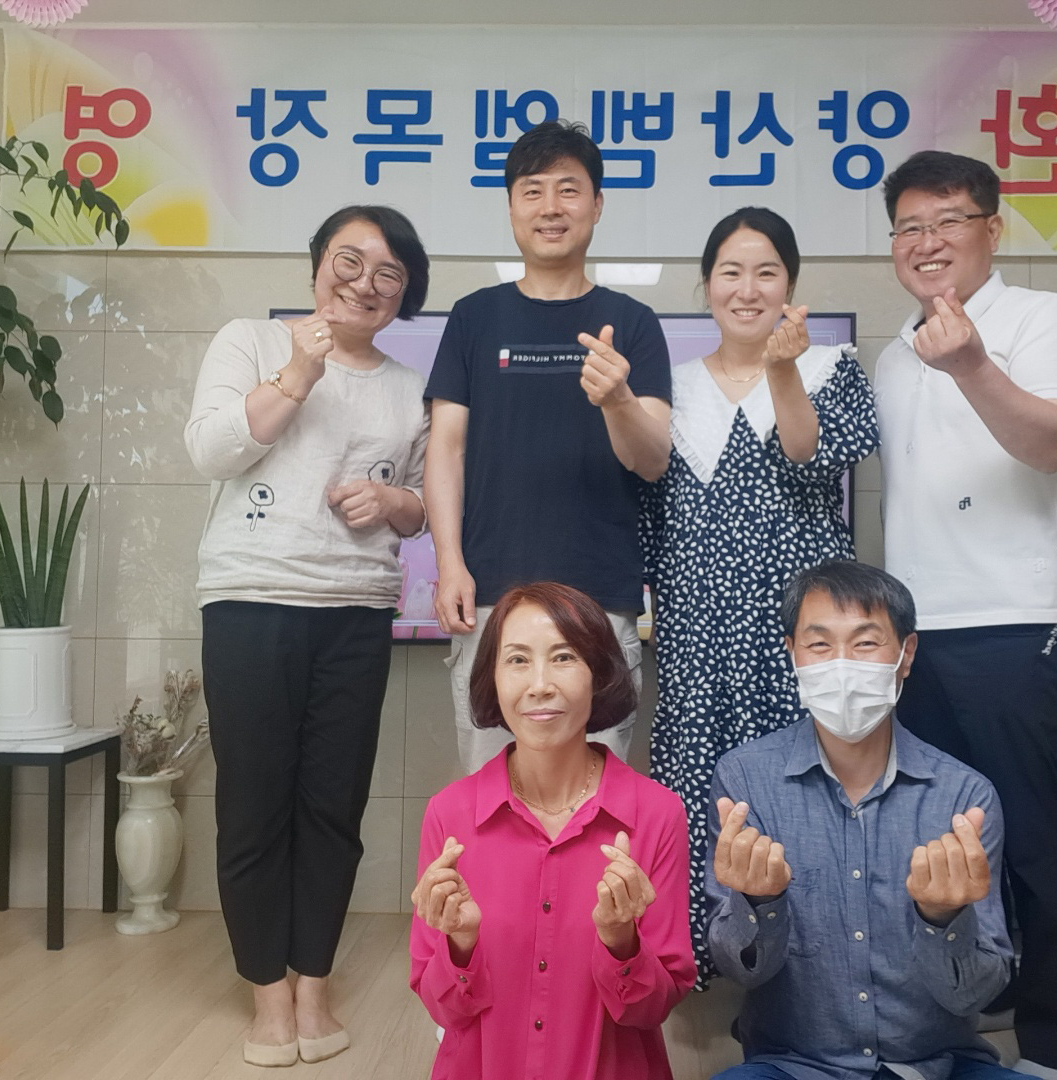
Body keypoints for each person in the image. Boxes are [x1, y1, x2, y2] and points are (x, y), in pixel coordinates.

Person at [185, 205, 431, 1067]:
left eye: (388, 273)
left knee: (333, 808)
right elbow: (211, 451)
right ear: (318, 264)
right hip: (250, 603)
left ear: (405, 293)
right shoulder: (250, 340)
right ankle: (268, 994)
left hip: (357, 612)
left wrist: (394, 503)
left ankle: (314, 986)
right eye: (349, 261)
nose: (365, 283)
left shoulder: (409, 388)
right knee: (255, 805)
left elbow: (426, 504)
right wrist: (296, 374)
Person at [873, 150, 1057, 1079]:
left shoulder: (1042, 318)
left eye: (948, 221)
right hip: (915, 633)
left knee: (1033, 832)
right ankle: (976, 999)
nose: (927, 242)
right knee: (942, 832)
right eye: (909, 227)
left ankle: (1054, 1043)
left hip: (1013, 618)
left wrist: (970, 364)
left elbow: (1052, 442)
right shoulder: (893, 353)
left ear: (992, 229)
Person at [641, 207, 877, 982]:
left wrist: (782, 370)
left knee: (803, 779)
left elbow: (811, 459)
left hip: (796, 622)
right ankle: (703, 959)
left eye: (767, 272)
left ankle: (811, 967)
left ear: (791, 286)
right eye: (731, 272)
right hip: (696, 620)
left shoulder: (830, 367)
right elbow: (647, 504)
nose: (748, 289)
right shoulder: (669, 388)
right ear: (706, 284)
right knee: (696, 778)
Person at [706, 559, 1019, 1079]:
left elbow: (978, 994)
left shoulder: (964, 796)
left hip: (937, 1065)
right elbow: (740, 971)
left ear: (906, 654)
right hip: (794, 1065)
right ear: (793, 654)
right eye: (819, 644)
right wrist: (759, 905)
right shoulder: (745, 781)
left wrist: (943, 919)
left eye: (866, 642)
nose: (842, 664)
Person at [424, 119, 673, 774]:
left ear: (597, 204)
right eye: (532, 191)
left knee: (595, 800)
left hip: (600, 599)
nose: (550, 207)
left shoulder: (635, 323)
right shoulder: (475, 317)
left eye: (568, 189)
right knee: (492, 796)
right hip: (491, 596)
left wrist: (618, 400)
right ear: (511, 207)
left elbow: (653, 461)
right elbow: (446, 449)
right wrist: (449, 564)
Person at [410, 582, 696, 1080]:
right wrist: (461, 943)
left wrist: (621, 941)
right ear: (492, 677)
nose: (539, 684)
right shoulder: (449, 814)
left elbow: (653, 1009)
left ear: (599, 673)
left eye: (563, 657)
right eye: (517, 660)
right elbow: (444, 1010)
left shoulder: (657, 814)